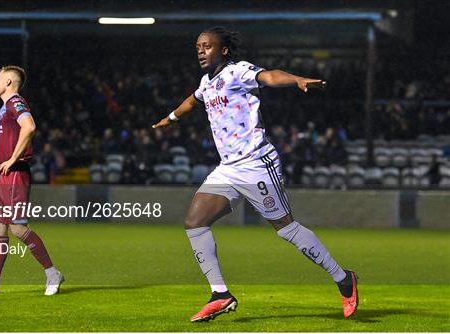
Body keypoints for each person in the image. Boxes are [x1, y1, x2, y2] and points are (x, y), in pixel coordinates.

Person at [152, 27, 358, 322]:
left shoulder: (238, 71)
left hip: (256, 163)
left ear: (223, 50)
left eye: (207, 46)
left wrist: (297, 79)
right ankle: (220, 294)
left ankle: (344, 279)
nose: (200, 51)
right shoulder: (206, 83)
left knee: (286, 229)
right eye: (198, 46)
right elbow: (192, 101)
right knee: (194, 221)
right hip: (228, 168)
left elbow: (270, 76)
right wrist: (170, 119)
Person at [0, 65, 63, 296]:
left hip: (15, 174)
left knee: (17, 227)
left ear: (8, 82)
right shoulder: (3, 108)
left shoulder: (15, 102)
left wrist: (12, 158)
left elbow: (29, 127)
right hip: (1, 177)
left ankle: (52, 273)